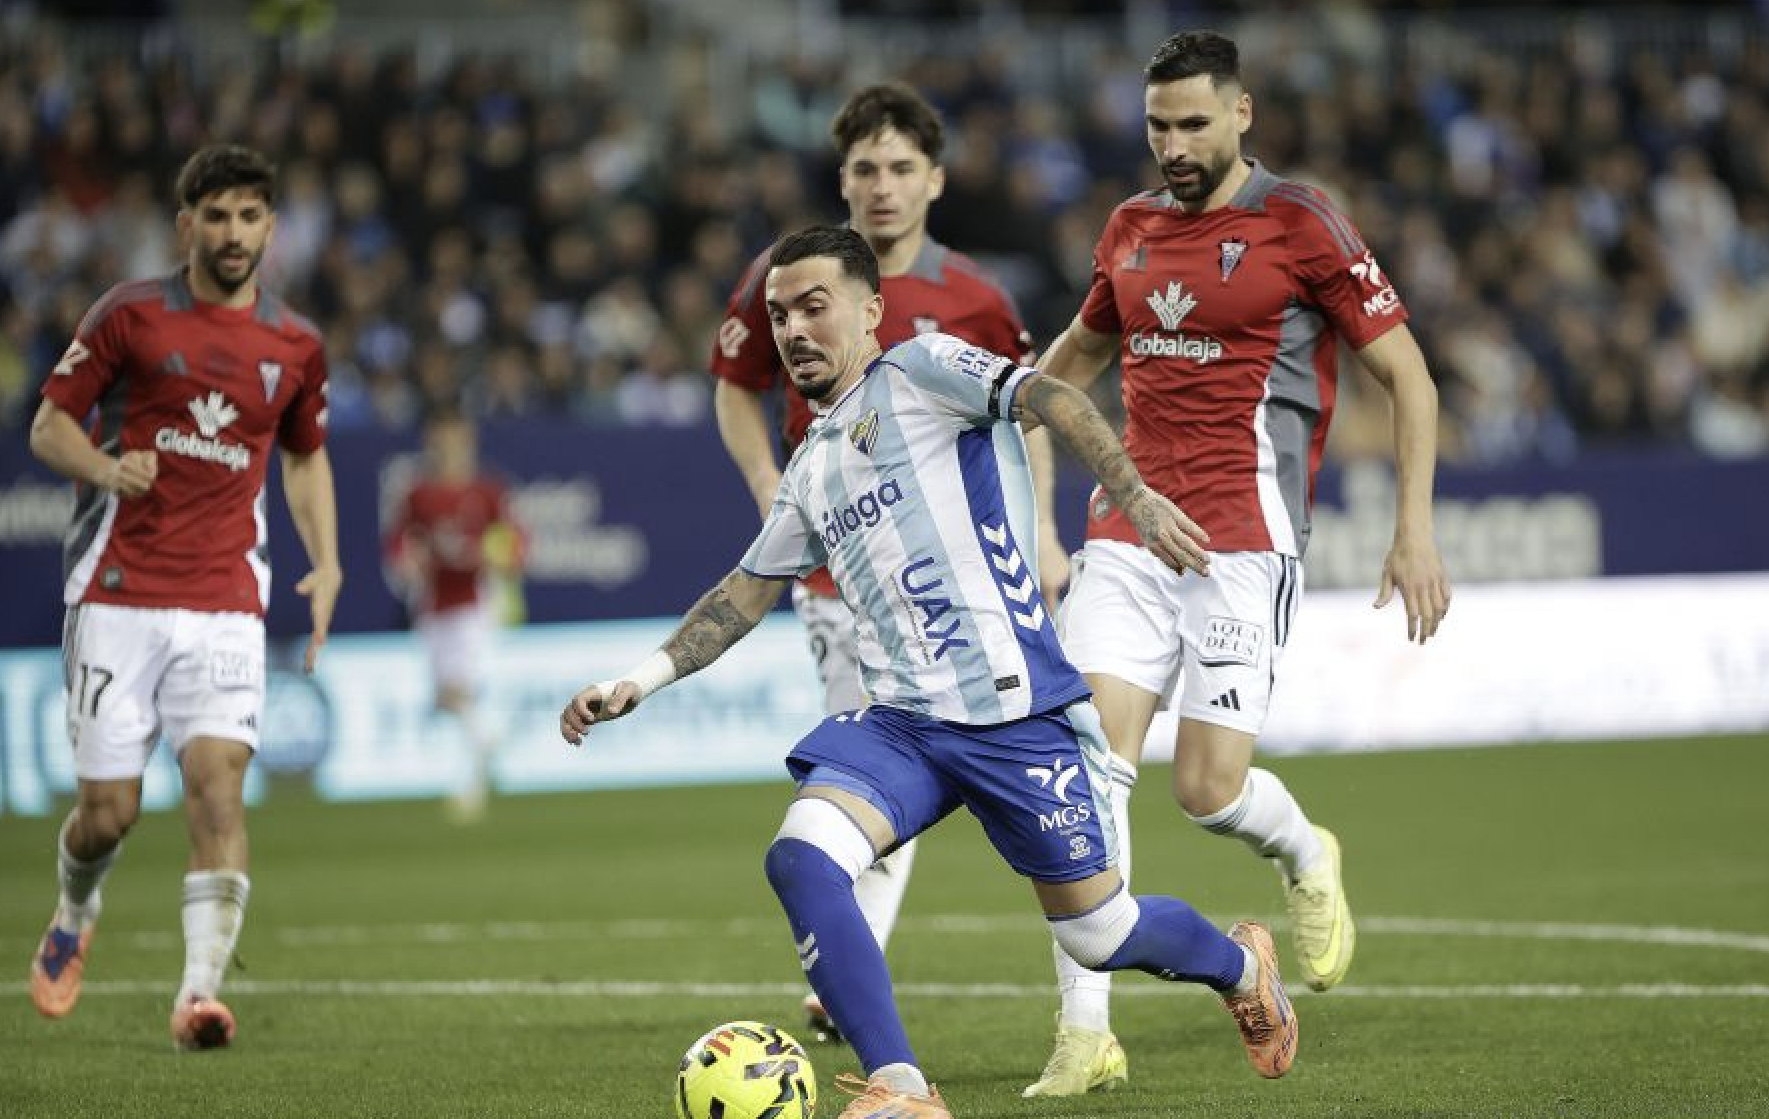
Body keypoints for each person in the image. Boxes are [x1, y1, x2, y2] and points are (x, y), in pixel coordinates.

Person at [563, 226, 1297, 1119]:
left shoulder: (924, 369)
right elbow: (741, 596)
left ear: (871, 309)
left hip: (1016, 714)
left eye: (813, 305)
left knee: (1102, 932)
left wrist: (1134, 495)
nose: (793, 328)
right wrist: (635, 680)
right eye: (779, 313)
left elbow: (1053, 394)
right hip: (904, 723)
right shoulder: (810, 469)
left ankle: (1239, 964)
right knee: (801, 856)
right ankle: (902, 1089)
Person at [1021, 30, 1453, 1097]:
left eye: (1192, 123)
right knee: (1082, 779)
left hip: (1242, 543)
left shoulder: (1298, 224)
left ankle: (1306, 856)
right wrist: (1033, 486)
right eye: (1156, 125)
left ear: (1241, 113)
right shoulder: (1124, 232)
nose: (1171, 143)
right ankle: (1085, 1034)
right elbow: (1058, 374)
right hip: (1126, 538)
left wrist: (1413, 527)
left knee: (1205, 792)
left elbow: (1409, 377)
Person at [709, 81, 1065, 1043]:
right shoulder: (789, 278)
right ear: (842, 178)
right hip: (834, 569)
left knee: (877, 749)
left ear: (934, 180)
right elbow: (734, 386)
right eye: (864, 168)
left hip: (953, 580)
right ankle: (855, 968)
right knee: (871, 744)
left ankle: (849, 972)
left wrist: (1044, 533)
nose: (881, 184)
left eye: (900, 167)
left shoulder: (975, 299)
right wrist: (765, 490)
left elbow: (1026, 410)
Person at [26, 143, 341, 1051]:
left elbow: (304, 454)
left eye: (249, 216)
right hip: (118, 590)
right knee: (108, 813)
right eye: (216, 216)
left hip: (225, 598)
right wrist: (104, 466)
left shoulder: (296, 345)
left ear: (270, 228)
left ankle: (199, 992)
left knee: (217, 786)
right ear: (185, 225)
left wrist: (326, 561)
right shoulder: (129, 318)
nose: (233, 233)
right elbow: (50, 425)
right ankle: (74, 911)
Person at [383, 404, 525, 822]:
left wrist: (501, 558)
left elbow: (514, 541)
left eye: (456, 440)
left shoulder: (487, 491)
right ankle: (486, 741)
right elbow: (398, 542)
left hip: (474, 601)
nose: (449, 448)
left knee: (458, 689)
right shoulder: (418, 494)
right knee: (446, 697)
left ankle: (473, 784)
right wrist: (405, 562)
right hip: (431, 601)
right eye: (441, 440)